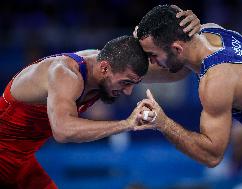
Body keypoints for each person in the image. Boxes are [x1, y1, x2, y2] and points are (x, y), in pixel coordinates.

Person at [0, 10, 201, 187]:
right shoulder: (64, 74)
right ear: (104, 68)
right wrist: (126, 124)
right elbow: (63, 130)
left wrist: (193, 34)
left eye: (133, 84)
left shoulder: (115, 65)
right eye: (126, 83)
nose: (128, 91)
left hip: (21, 162)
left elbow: (177, 71)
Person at [135, 5, 242, 188]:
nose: (151, 62)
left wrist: (163, 123)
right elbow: (174, 69)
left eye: (152, 55)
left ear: (177, 49)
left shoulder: (216, 80)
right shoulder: (210, 31)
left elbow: (211, 156)